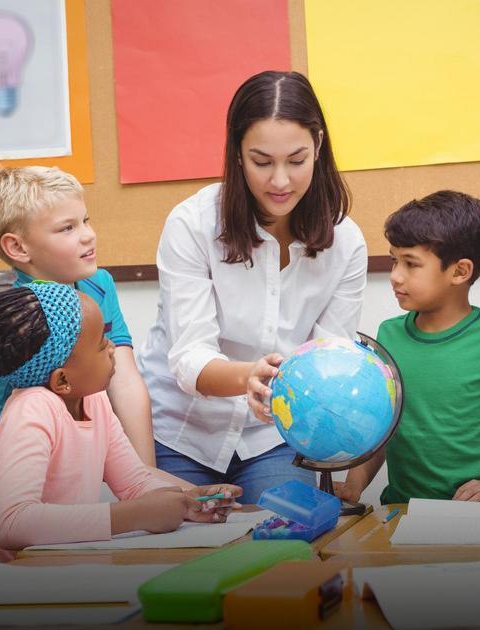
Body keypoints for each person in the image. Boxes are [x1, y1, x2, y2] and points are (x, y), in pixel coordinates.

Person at [137, 71, 368, 503]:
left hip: (272, 436)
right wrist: (251, 377)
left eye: (296, 160)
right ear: (237, 155)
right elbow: (189, 359)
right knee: (184, 560)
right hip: (182, 432)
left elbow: (331, 357)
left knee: (284, 549)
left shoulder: (346, 242)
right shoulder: (192, 224)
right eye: (262, 162)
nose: (279, 181)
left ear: (318, 145)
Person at [0, 283, 240, 566]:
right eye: (100, 344)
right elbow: (12, 523)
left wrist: (185, 501)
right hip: (7, 584)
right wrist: (134, 515)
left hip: (61, 567)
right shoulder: (31, 409)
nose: (111, 349)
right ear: (62, 381)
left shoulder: (94, 399)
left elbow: (134, 483)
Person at [336, 191, 480, 505]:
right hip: (400, 510)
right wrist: (353, 485)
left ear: (459, 271)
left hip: (477, 517)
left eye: (411, 264)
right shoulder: (389, 335)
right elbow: (383, 428)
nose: (395, 276)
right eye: (394, 259)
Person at [0, 166, 164, 479]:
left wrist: (148, 474)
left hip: (58, 470)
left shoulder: (98, 284)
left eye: (85, 221)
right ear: (18, 247)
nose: (88, 234)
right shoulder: (21, 318)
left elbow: (124, 379)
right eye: (67, 228)